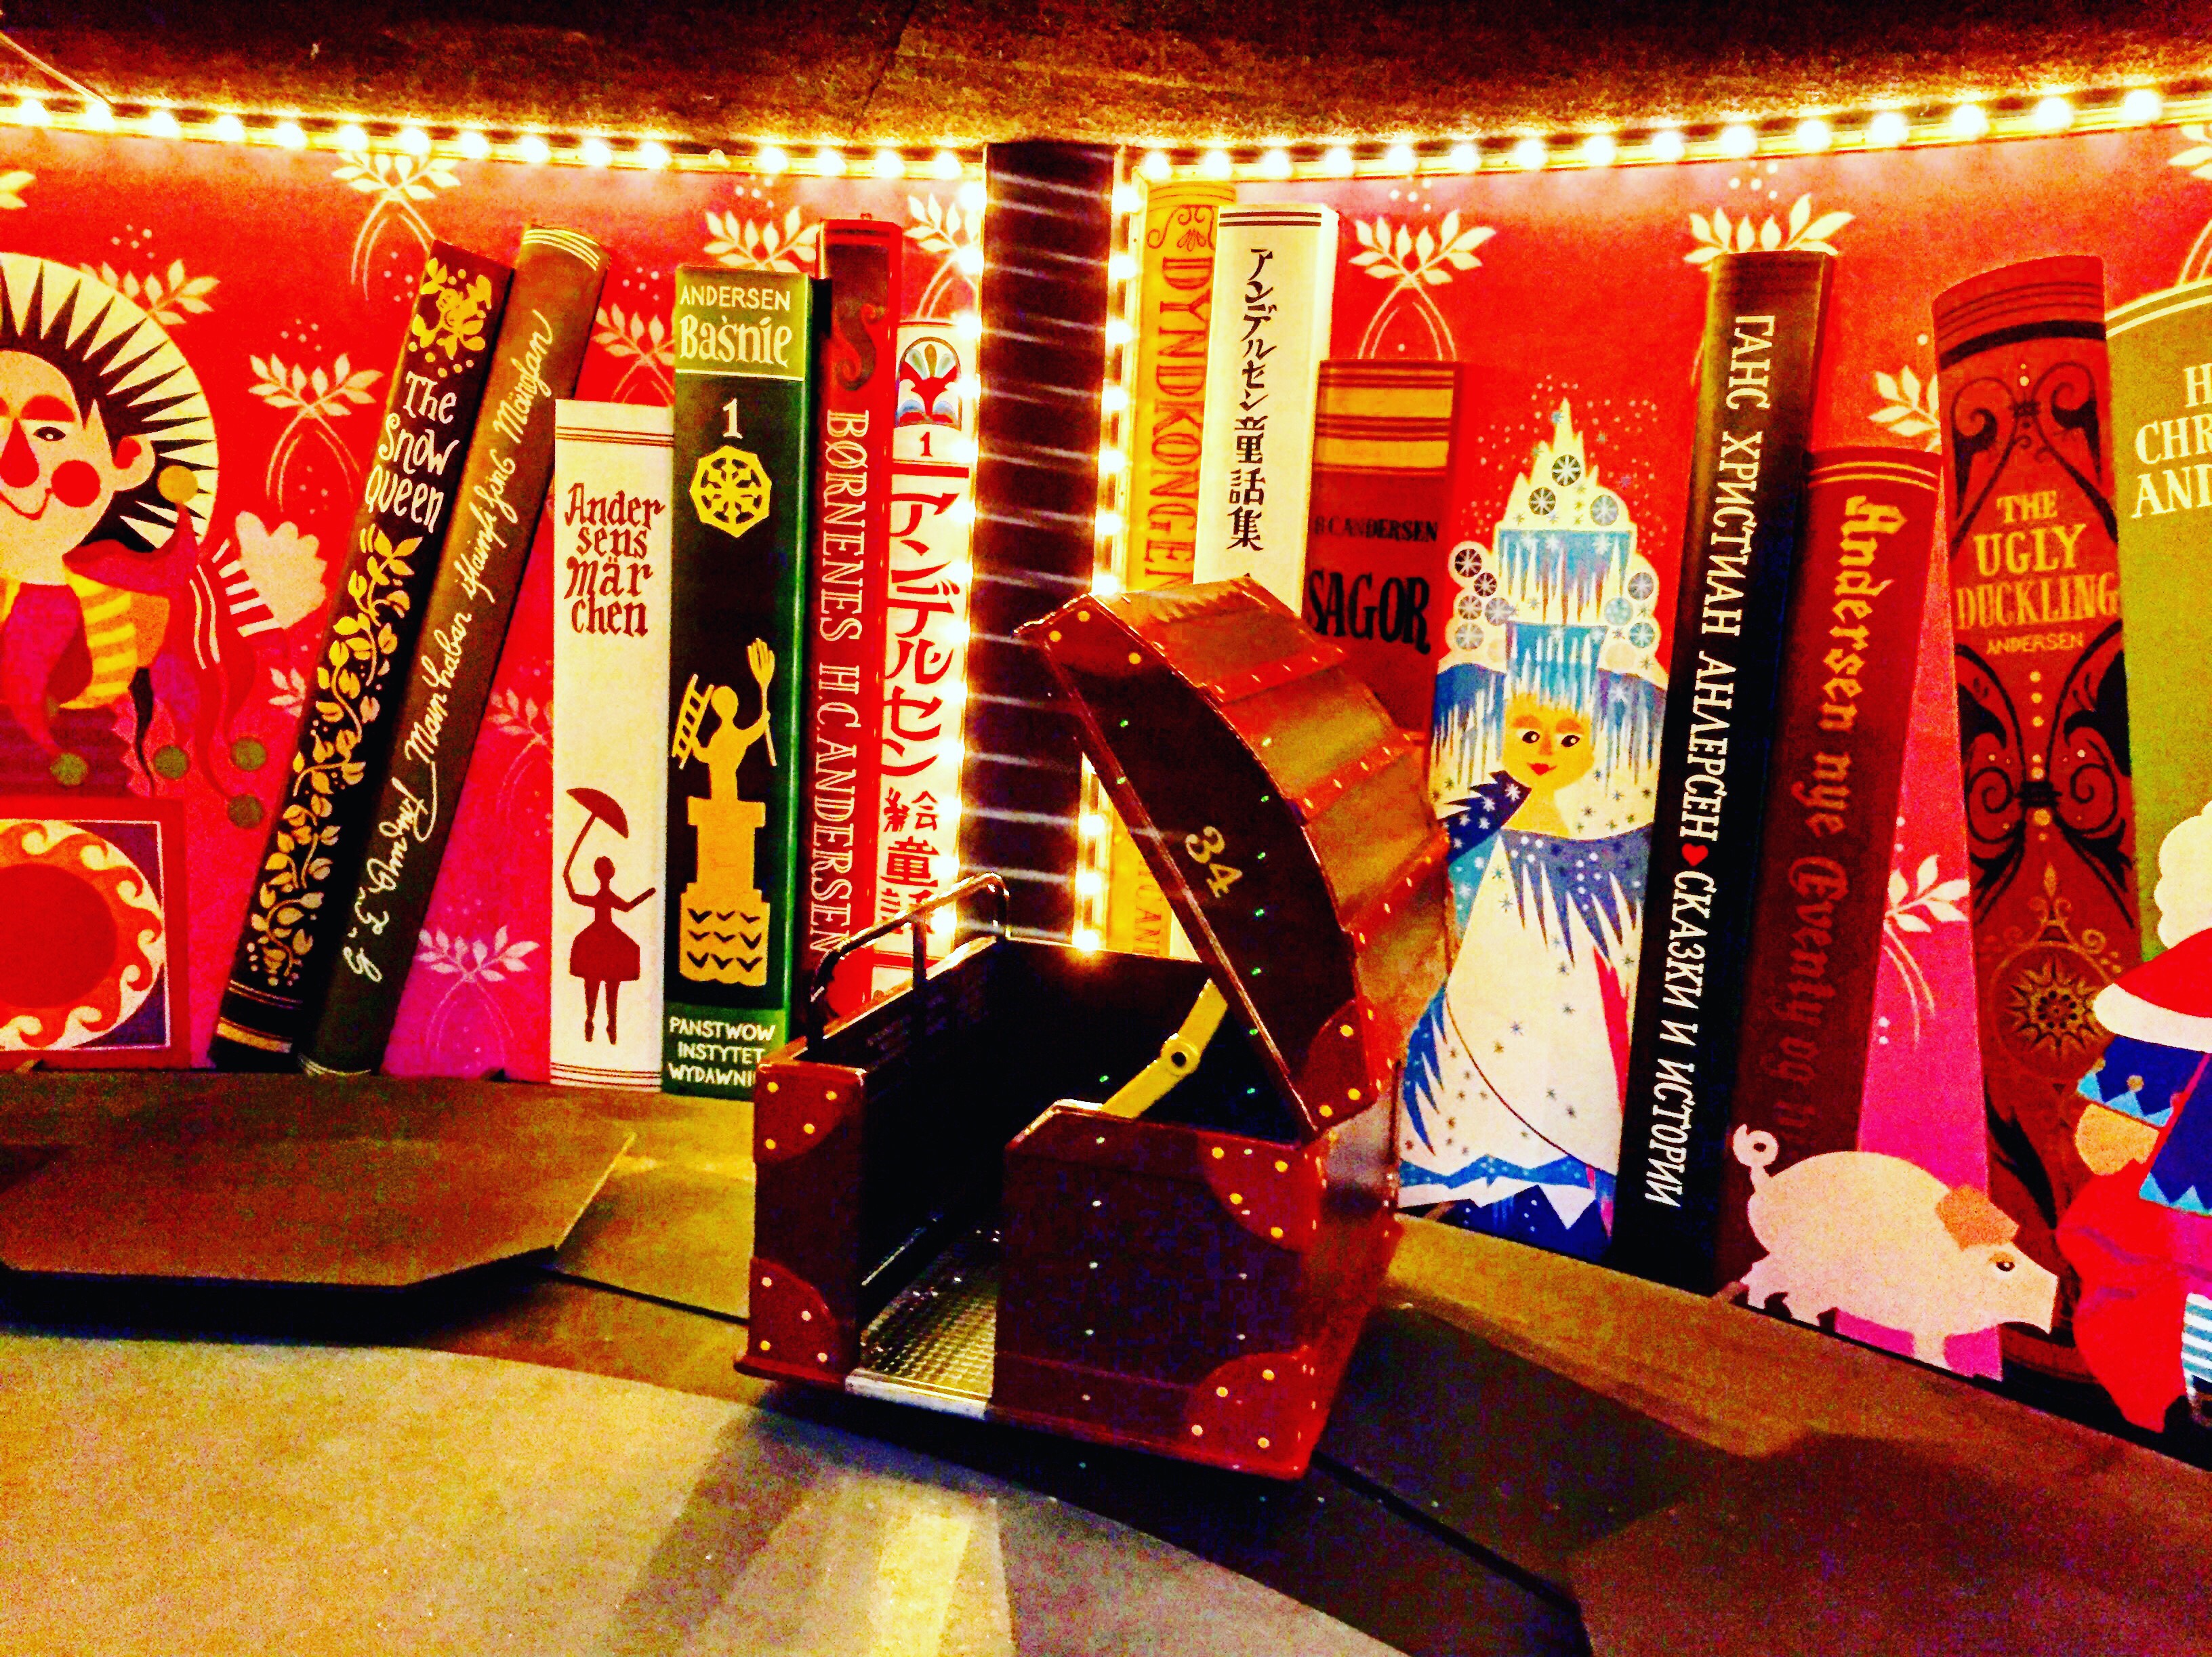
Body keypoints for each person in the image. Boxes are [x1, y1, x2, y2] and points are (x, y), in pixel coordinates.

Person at [567, 853, 654, 1044]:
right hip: (601, 936)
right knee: (601, 982)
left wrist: (568, 878)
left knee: (600, 981)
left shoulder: (605, 895)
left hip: (603, 936)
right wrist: (645, 895)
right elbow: (627, 907)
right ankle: (598, 1021)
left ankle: (603, 1022)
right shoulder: (605, 895)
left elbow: (625, 907)